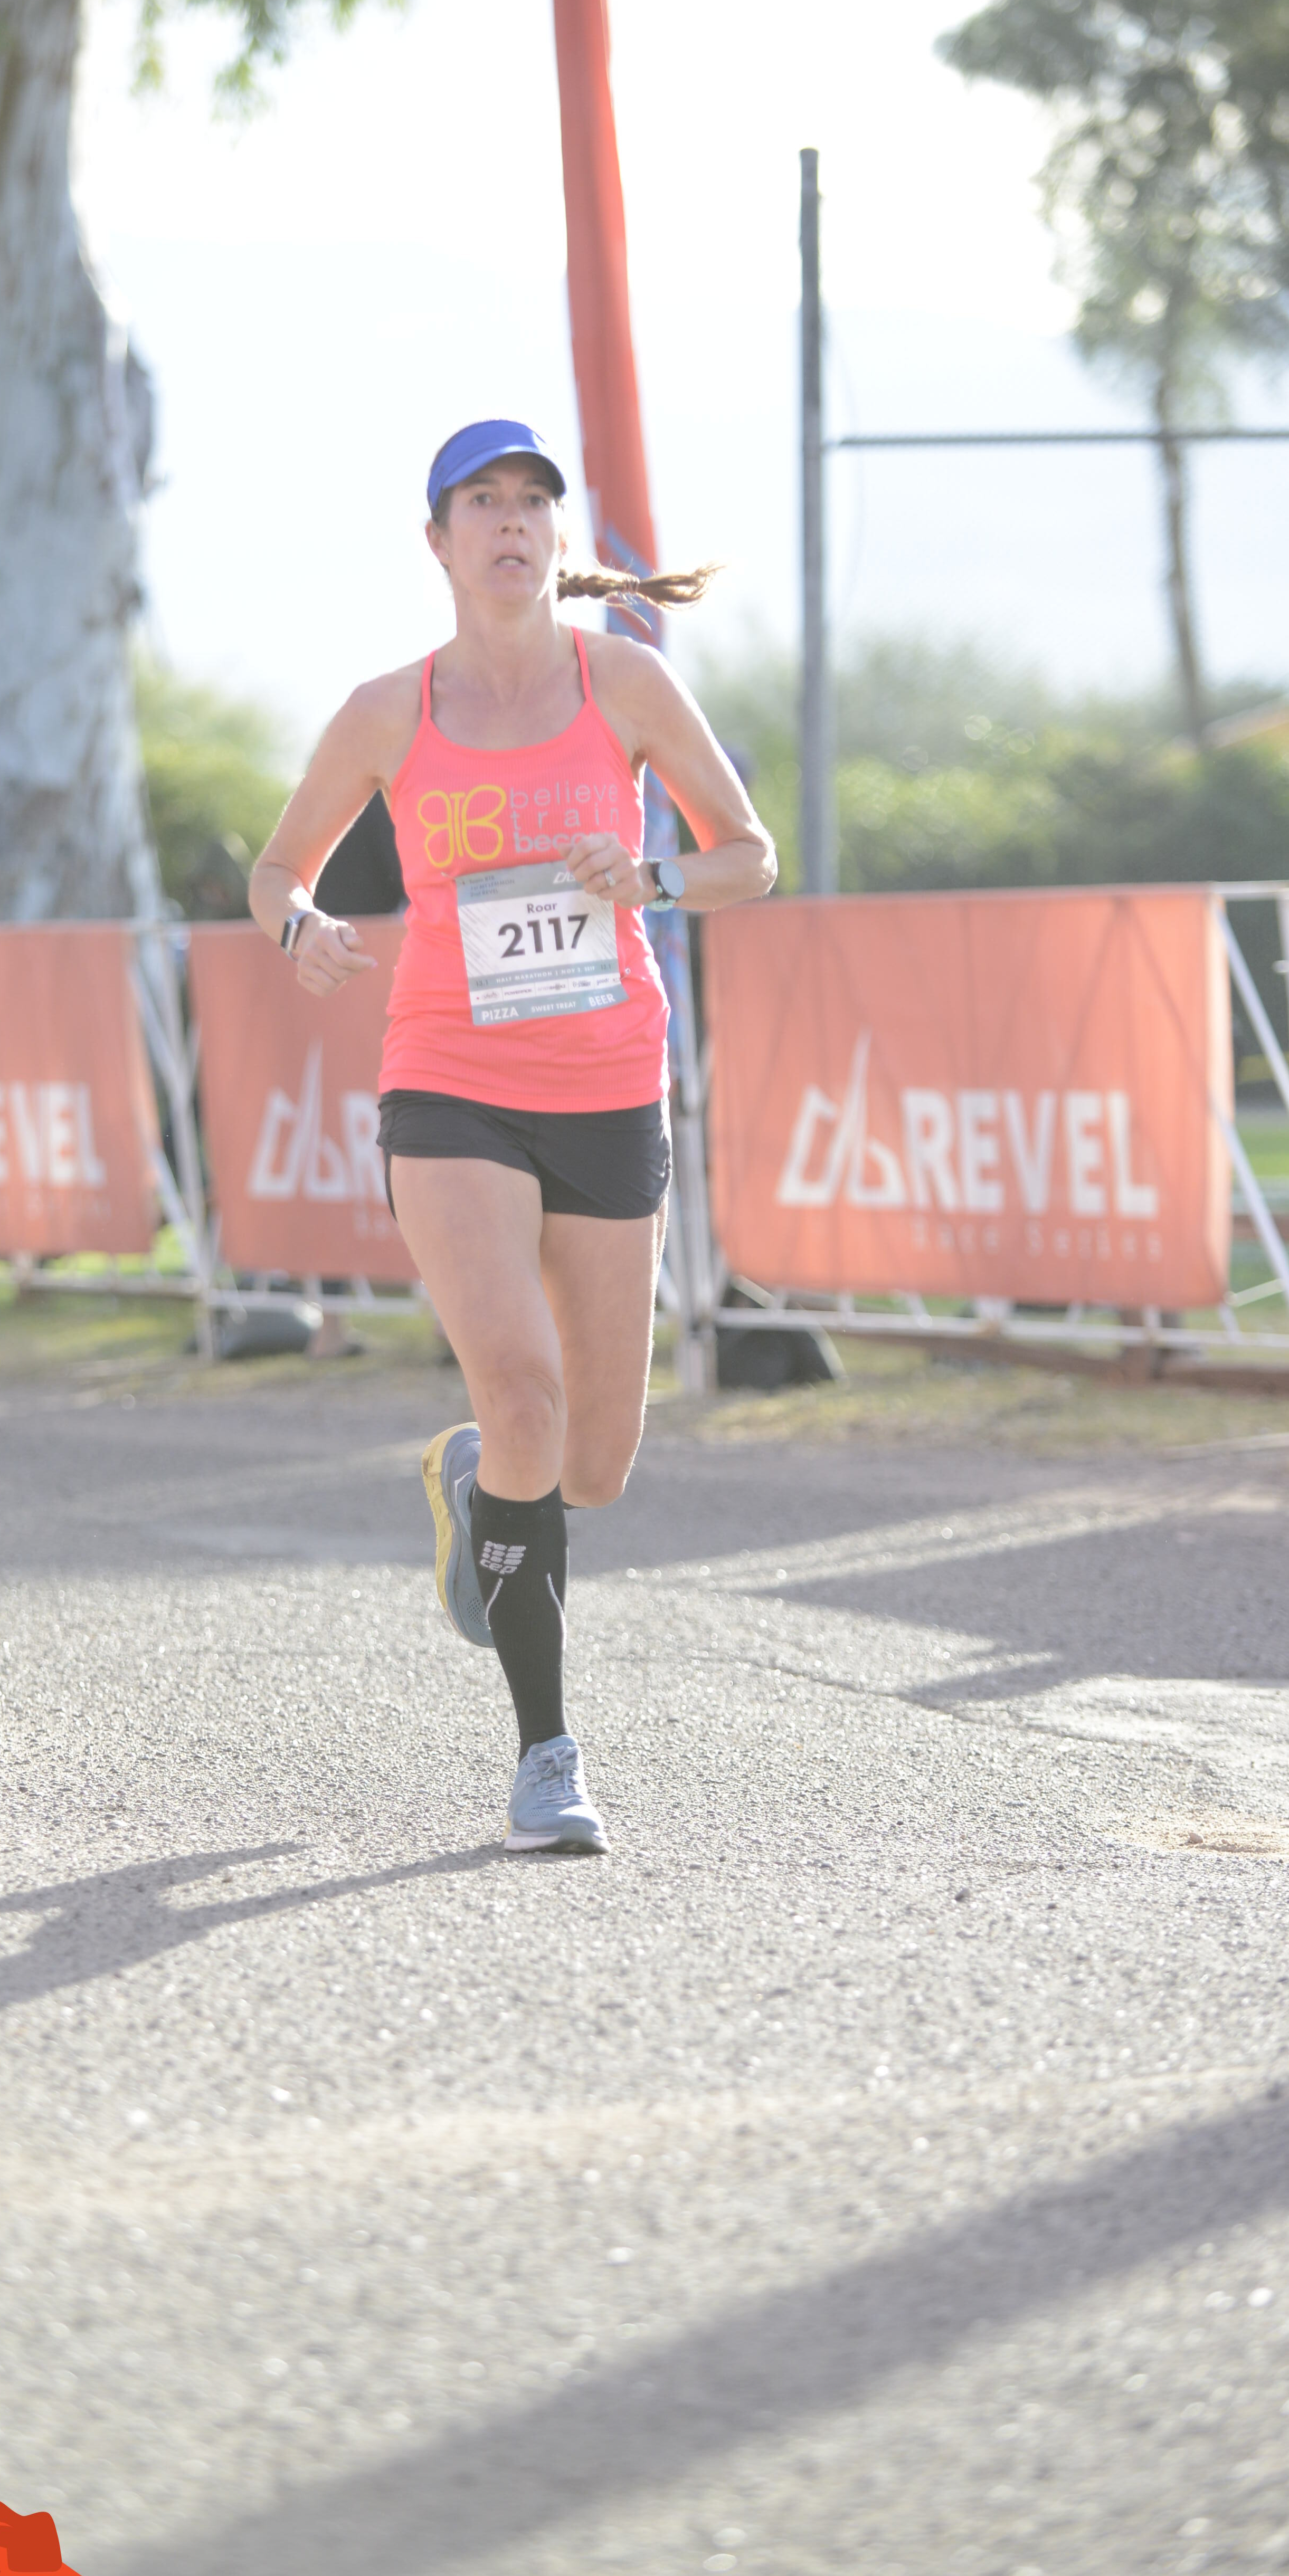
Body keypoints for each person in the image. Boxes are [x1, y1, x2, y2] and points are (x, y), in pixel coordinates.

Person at [249, 418, 775, 1856]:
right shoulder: (388, 711)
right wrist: (299, 927)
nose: (510, 521)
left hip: (606, 1084)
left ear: (556, 535)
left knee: (590, 1465)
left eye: (533, 500)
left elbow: (749, 857)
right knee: (528, 1391)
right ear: (438, 541)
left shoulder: (627, 683)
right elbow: (277, 868)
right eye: (480, 501)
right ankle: (547, 1755)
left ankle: (478, 1478)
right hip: (450, 1083)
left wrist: (651, 872)